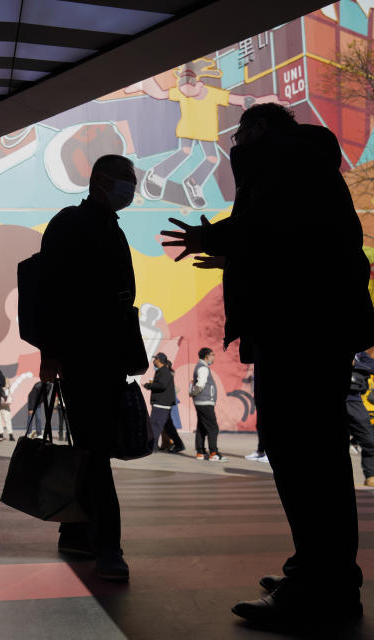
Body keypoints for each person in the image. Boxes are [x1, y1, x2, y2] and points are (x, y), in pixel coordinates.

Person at [161, 103, 374, 626]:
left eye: (239, 134)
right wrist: (235, 252)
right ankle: (321, 573)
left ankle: (322, 589)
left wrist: (213, 238)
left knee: (302, 453)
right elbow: (291, 241)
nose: (235, 145)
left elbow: (269, 226)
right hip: (315, 328)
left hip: (298, 329)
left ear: (257, 129)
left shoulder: (279, 159)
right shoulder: (308, 163)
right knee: (313, 452)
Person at [38, 154, 140, 582]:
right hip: (85, 357)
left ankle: (76, 531)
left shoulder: (107, 226)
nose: (131, 189)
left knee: (90, 448)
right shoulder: (71, 224)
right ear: (100, 181)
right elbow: (50, 292)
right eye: (125, 181)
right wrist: (52, 352)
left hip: (107, 357)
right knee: (97, 452)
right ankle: (109, 547)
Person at [143, 352, 183, 452]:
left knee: (155, 425)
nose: (153, 361)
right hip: (162, 403)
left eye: (155, 359)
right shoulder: (162, 371)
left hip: (161, 404)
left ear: (159, 360)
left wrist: (149, 385)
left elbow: (162, 385)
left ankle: (153, 447)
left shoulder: (164, 371)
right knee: (168, 427)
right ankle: (179, 445)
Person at [192, 348, 225, 461]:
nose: (213, 357)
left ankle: (200, 453)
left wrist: (194, 394)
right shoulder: (203, 368)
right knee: (213, 428)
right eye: (212, 355)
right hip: (205, 402)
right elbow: (200, 384)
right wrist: (193, 393)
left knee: (202, 427)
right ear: (206, 356)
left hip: (201, 401)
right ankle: (213, 453)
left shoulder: (200, 366)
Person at [347, 351, 374, 486]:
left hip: (354, 400)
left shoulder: (361, 355)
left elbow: (371, 366)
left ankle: (371, 475)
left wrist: (356, 364)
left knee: (369, 438)